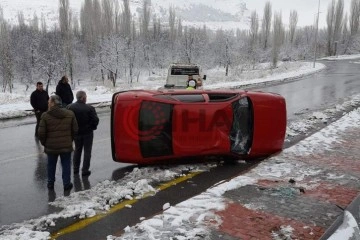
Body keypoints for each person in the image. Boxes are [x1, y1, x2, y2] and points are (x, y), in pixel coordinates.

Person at [38, 95, 78, 191]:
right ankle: (66, 184)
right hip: (66, 145)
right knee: (66, 165)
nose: (47, 104)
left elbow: (41, 133)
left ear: (52, 103)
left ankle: (50, 183)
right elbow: (75, 130)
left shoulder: (45, 116)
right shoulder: (70, 114)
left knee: (51, 165)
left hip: (51, 147)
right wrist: (70, 140)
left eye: (48, 102)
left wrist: (45, 143)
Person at [68, 90, 99, 177]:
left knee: (77, 150)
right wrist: (92, 127)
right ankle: (85, 170)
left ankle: (75, 169)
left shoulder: (70, 107)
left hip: (76, 133)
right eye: (85, 97)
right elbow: (95, 120)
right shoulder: (90, 108)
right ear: (83, 98)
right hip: (87, 133)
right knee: (87, 151)